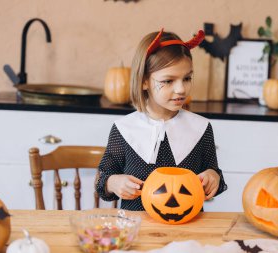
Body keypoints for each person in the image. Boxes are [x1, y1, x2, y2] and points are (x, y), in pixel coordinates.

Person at [96, 28, 227, 210]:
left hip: (188, 228)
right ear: (144, 81)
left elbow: (214, 173)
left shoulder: (201, 128)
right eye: (168, 81)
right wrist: (113, 182)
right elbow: (103, 177)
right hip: (137, 230)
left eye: (187, 78)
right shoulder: (124, 129)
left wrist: (213, 177)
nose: (181, 89)